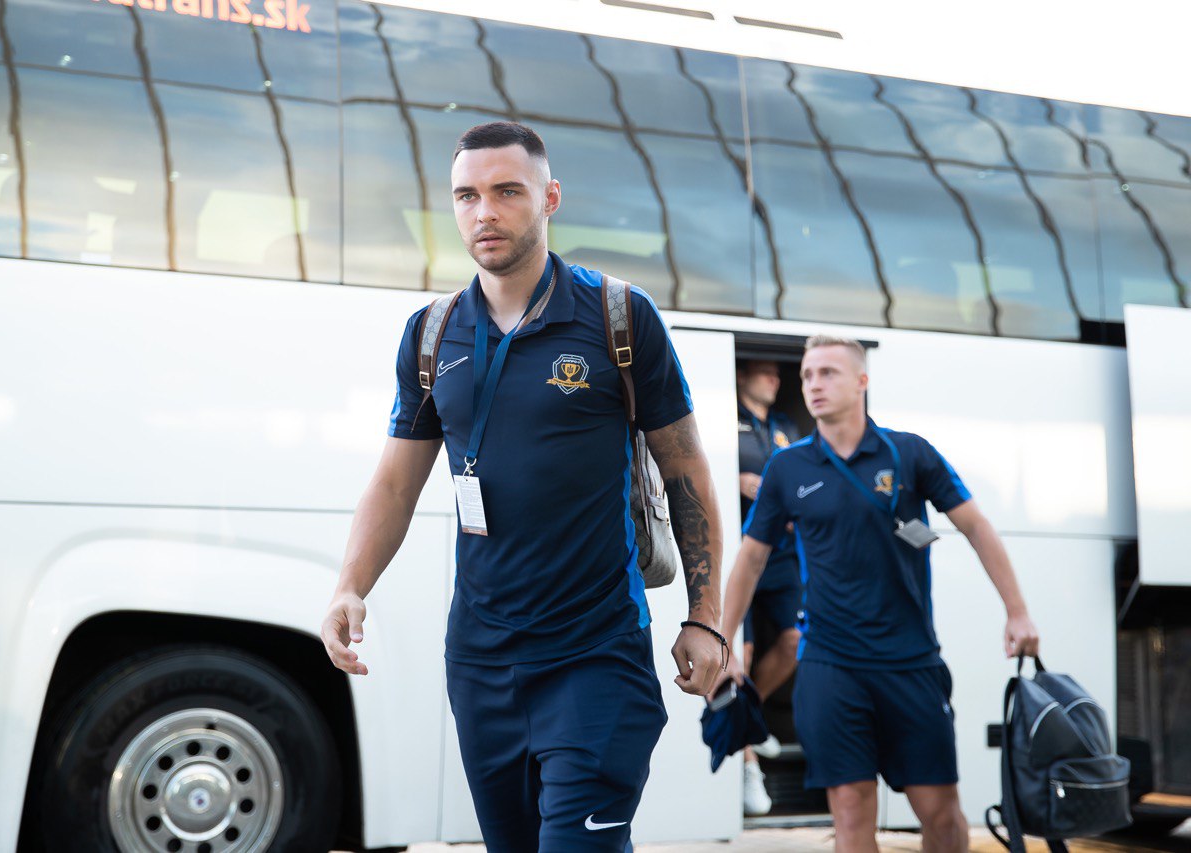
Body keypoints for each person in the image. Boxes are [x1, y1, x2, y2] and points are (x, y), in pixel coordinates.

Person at [320, 121, 725, 853]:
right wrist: (350, 585)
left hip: (596, 654)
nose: (485, 212)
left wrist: (706, 615)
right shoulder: (430, 332)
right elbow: (395, 482)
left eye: (507, 191)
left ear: (550, 197)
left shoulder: (618, 316)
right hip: (481, 662)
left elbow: (686, 470)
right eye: (467, 196)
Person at [720, 335, 1040, 853]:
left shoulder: (909, 453)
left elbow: (977, 527)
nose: (813, 384)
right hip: (829, 665)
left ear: (861, 381)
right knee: (849, 814)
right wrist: (725, 641)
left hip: (909, 662)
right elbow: (751, 559)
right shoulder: (788, 467)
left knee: (941, 815)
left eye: (828, 373)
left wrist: (1017, 612)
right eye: (807, 375)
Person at [735, 358, 801, 816]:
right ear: (742, 375)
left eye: (778, 373)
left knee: (797, 641)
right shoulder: (727, 422)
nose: (775, 378)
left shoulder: (786, 427)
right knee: (741, 656)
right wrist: (733, 479)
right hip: (740, 553)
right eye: (764, 371)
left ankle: (750, 717)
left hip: (783, 554)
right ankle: (749, 766)